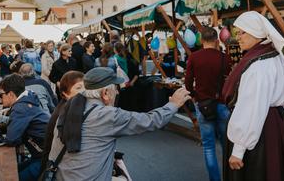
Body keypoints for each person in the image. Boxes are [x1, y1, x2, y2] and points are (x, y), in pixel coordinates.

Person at [47, 67, 191, 181]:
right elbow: (150, 121)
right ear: (105, 93)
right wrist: (173, 105)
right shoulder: (106, 115)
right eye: (116, 89)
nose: (117, 93)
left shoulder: (69, 106)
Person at [221, 11, 284, 181]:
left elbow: (252, 108)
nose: (239, 38)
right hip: (276, 124)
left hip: (260, 130)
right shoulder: (275, 56)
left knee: (260, 173)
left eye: (243, 32)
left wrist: (238, 150)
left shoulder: (258, 65)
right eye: (237, 33)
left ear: (257, 33)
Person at [185, 25, 231, 181]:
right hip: (222, 104)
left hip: (203, 104)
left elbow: (188, 82)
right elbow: (230, 81)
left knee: (209, 146)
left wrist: (194, 95)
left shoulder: (194, 57)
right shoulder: (225, 58)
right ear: (217, 40)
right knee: (227, 145)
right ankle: (230, 176)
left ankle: (215, 179)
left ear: (202, 40)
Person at [0, 73, 50, 181]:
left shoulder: (20, 108)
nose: (0, 99)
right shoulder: (27, 100)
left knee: (10, 176)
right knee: (15, 169)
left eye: (1, 95)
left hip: (46, 160)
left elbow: (11, 139)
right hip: (42, 155)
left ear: (11, 94)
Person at [40, 71, 85, 174]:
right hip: (56, 167)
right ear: (65, 93)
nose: (84, 91)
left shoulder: (67, 106)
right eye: (78, 88)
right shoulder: (66, 113)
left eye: (85, 87)